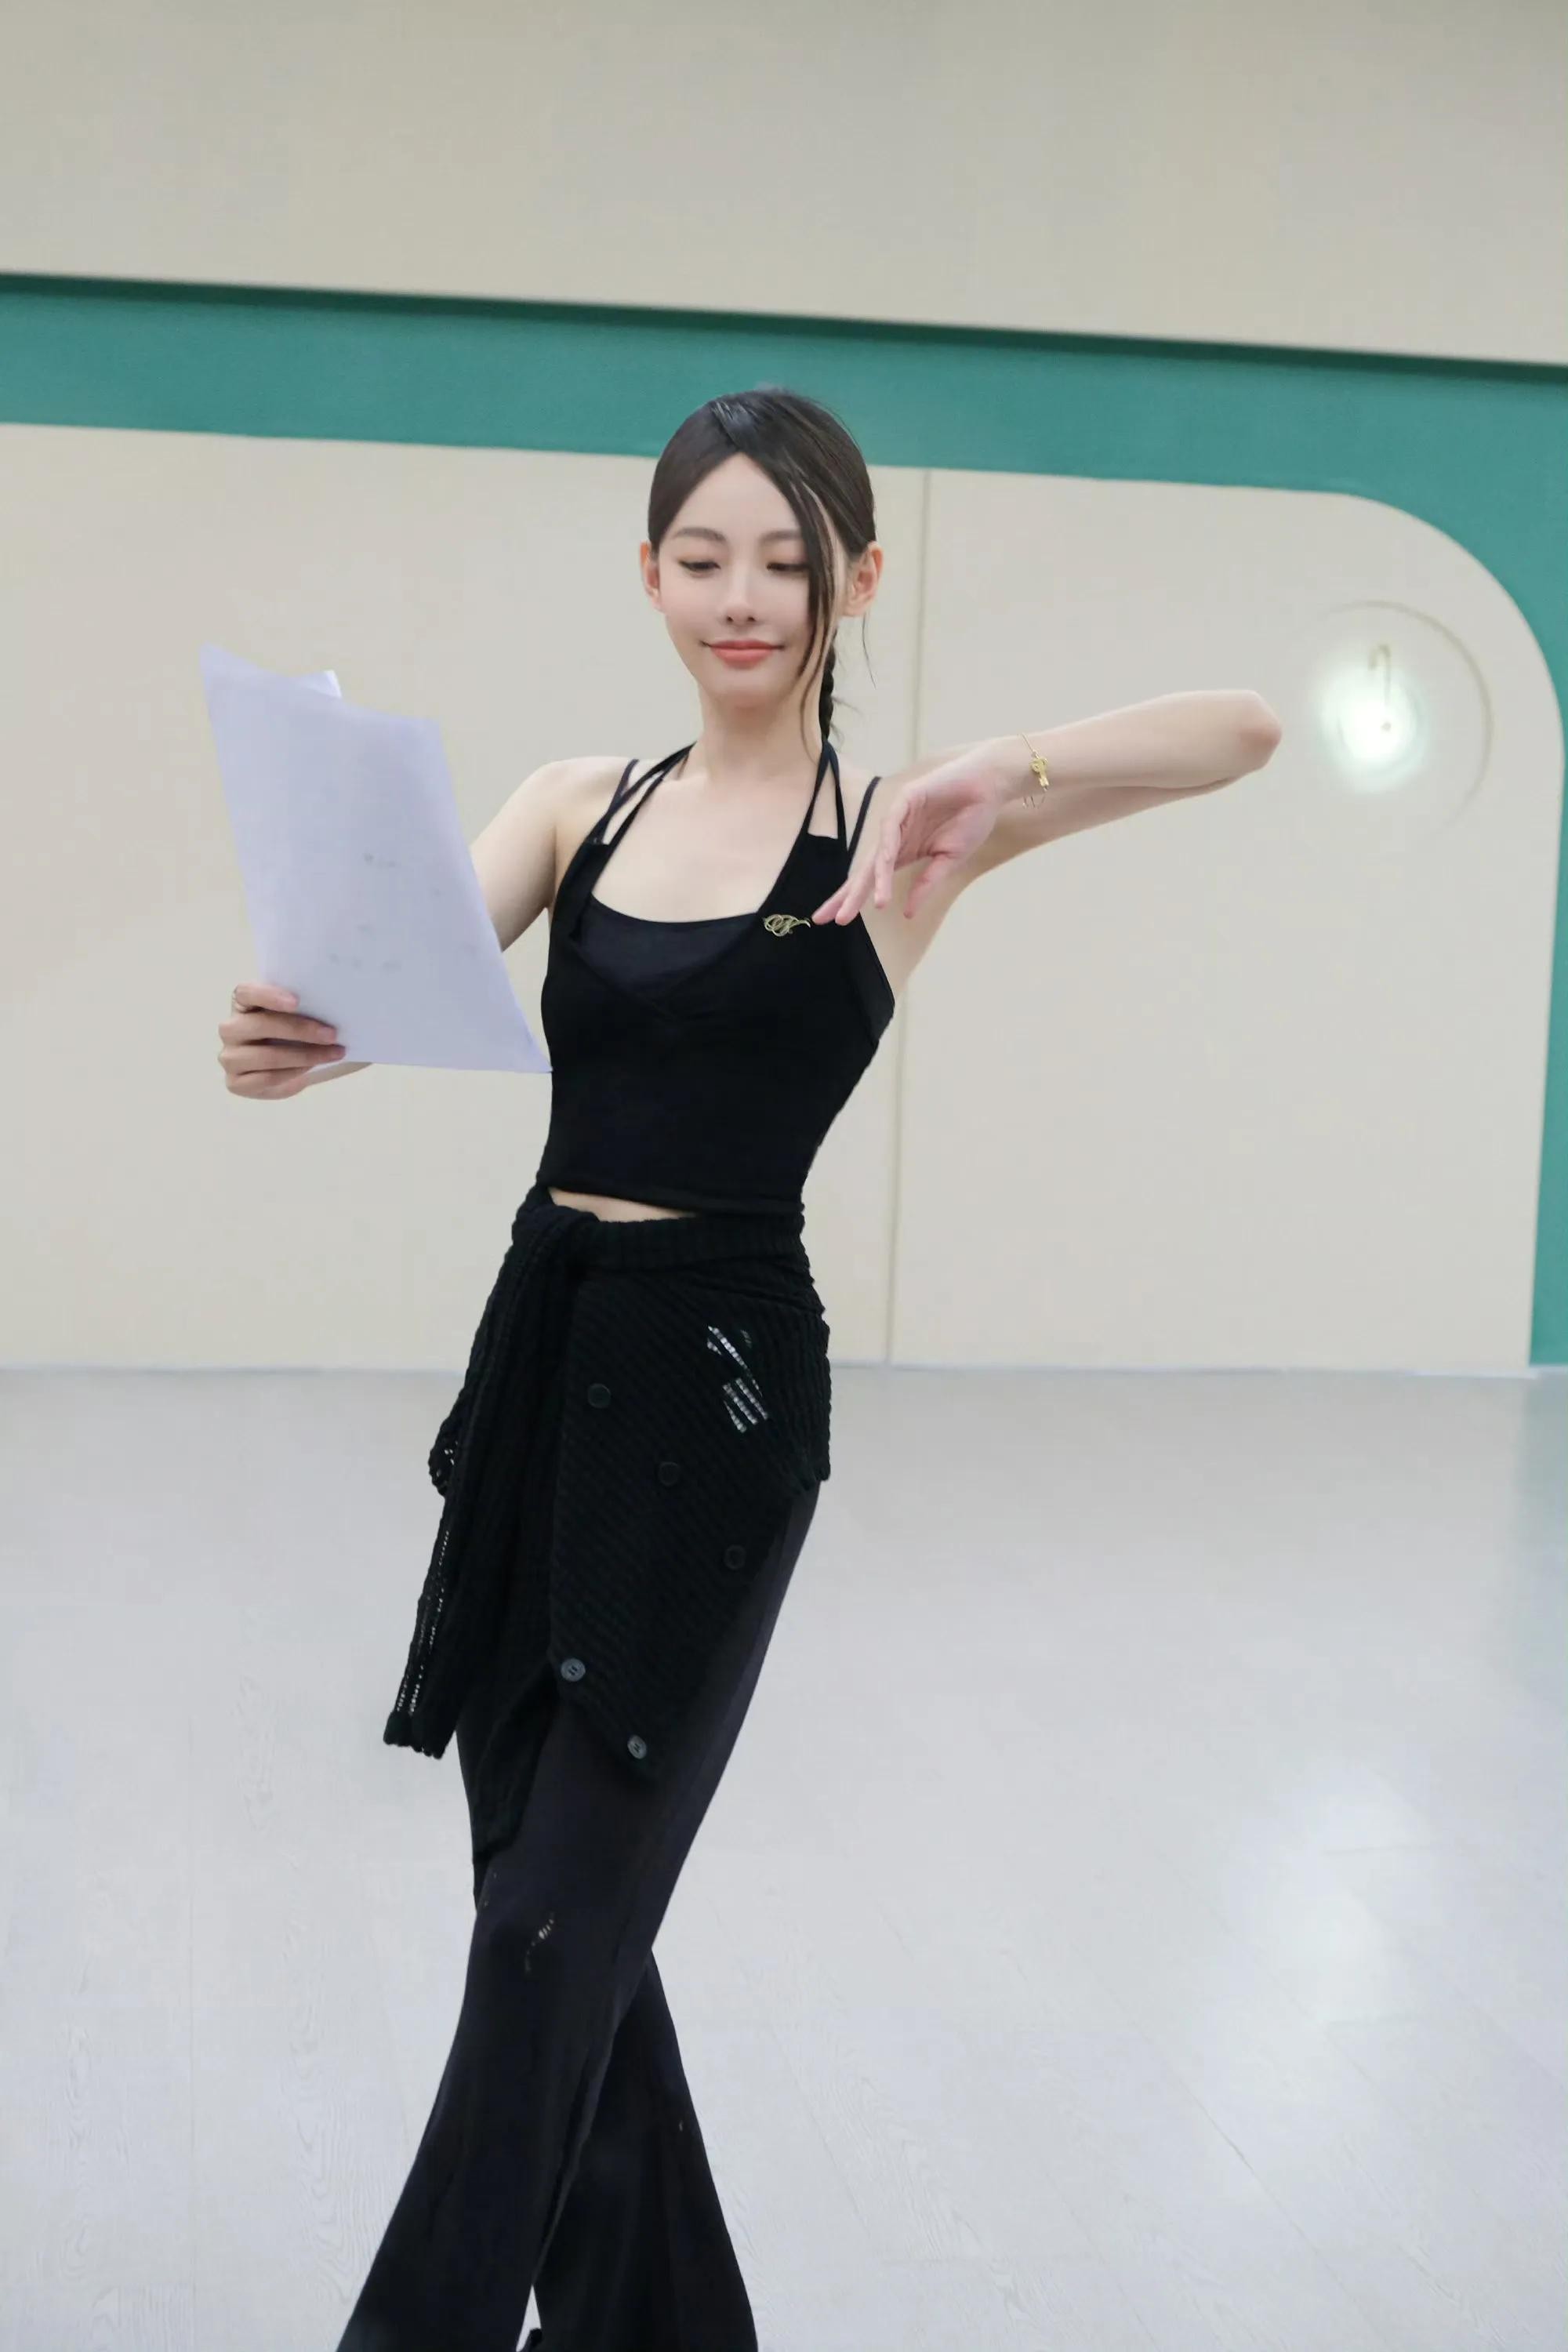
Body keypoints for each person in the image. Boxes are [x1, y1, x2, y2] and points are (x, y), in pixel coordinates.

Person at [216, 385, 1279, 2351]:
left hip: (716, 1401)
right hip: (542, 1363)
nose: (741, 596)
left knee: (545, 1936)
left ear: (854, 582)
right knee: (559, 1934)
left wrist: (997, 768)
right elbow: (378, 987)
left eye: (786, 561)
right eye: (702, 556)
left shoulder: (899, 836)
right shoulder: (579, 805)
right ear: (647, 573)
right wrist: (282, 1040)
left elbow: (1245, 730)